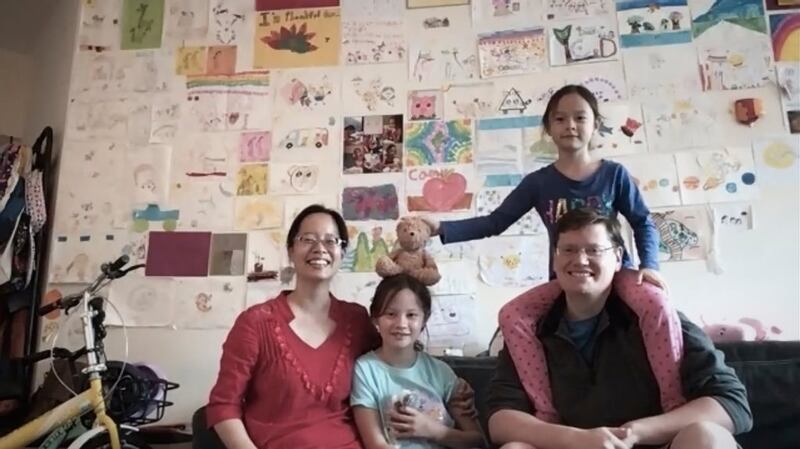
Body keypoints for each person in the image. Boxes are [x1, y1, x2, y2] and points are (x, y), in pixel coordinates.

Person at [418, 85, 682, 423]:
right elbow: (496, 222)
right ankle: (546, 410)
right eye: (560, 118)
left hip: (616, 276)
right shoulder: (539, 183)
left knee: (658, 303)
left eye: (579, 117)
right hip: (565, 281)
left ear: (594, 124)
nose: (569, 125)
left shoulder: (613, 174)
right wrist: (440, 226)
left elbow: (644, 222)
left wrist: (651, 266)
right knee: (512, 315)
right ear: (548, 128)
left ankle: (674, 401)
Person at [207, 205, 474, 449]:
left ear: (342, 252)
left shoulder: (356, 320)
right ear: (290, 250)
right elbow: (223, 406)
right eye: (307, 239)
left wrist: (454, 392)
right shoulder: (256, 323)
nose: (320, 248)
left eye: (331, 241)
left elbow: (396, 360)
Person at [489, 208, 752, 449]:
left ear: (617, 259)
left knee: (707, 437)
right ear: (554, 260)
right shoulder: (528, 331)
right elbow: (500, 420)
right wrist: (578, 439)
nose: (580, 259)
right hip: (574, 446)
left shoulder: (660, 319)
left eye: (594, 250)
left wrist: (636, 433)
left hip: (657, 443)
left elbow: (732, 405)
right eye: (568, 250)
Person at [351, 274, 484, 449]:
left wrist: (431, 430)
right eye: (391, 314)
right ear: (376, 318)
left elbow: (478, 440)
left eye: (411, 315)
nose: (401, 323)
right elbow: (376, 444)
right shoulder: (366, 370)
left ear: (424, 320)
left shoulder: (441, 372)